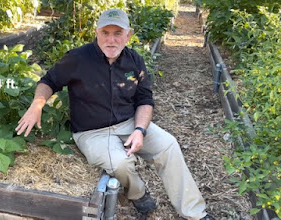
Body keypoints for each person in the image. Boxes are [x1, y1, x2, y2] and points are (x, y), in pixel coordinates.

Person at [16, 8, 215, 220]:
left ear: (128, 35)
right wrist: (36, 106)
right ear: (96, 33)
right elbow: (48, 81)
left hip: (129, 123)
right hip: (92, 132)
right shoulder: (77, 58)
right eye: (105, 33)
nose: (111, 40)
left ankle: (195, 213)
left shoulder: (134, 61)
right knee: (120, 163)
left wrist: (140, 130)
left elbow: (145, 100)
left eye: (118, 33)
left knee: (169, 146)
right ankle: (138, 194)